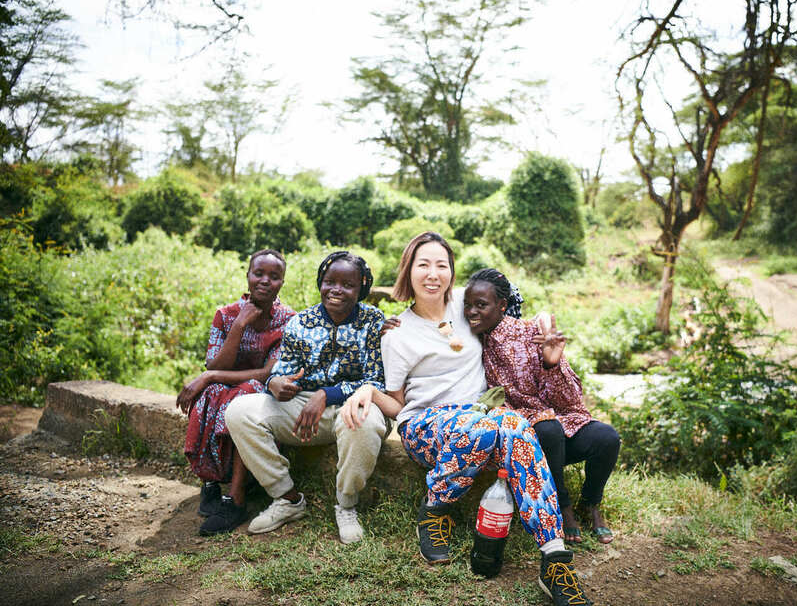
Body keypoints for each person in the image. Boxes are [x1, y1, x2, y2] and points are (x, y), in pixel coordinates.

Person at [380, 232, 592, 606]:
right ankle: (435, 509)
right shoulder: (397, 333)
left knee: (514, 426)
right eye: (423, 265)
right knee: (487, 427)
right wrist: (364, 394)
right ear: (408, 270)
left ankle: (554, 560)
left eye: (441, 265)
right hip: (425, 423)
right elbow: (397, 402)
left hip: (481, 414)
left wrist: (542, 319)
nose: (433, 274)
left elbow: (512, 298)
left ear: (451, 272)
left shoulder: (464, 304)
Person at [226, 251, 401, 544]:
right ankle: (287, 499)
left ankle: (346, 505)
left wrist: (327, 393)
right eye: (330, 281)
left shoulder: (373, 321)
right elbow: (281, 371)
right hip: (303, 408)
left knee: (367, 420)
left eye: (348, 284)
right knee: (240, 411)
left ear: (362, 289)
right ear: (320, 282)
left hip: (353, 404)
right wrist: (276, 383)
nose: (336, 290)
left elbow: (376, 381)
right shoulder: (301, 322)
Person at [464, 268, 621, 545]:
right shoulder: (472, 338)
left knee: (607, 438)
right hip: (527, 436)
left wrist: (552, 363)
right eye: (468, 305)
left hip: (558, 425)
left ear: (502, 306)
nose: (471, 311)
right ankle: (563, 506)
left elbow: (571, 400)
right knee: (547, 430)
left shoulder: (531, 333)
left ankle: (591, 503)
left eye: (481, 305)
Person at [176, 249, 295, 536]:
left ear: (282, 282)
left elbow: (268, 374)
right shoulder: (226, 315)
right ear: (247, 276)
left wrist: (209, 376)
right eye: (259, 274)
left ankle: (236, 496)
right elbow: (217, 362)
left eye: (274, 276)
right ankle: (210, 483)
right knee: (208, 394)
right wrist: (240, 324)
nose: (265, 281)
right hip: (225, 386)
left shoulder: (289, 320)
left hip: (260, 391)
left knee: (245, 396)